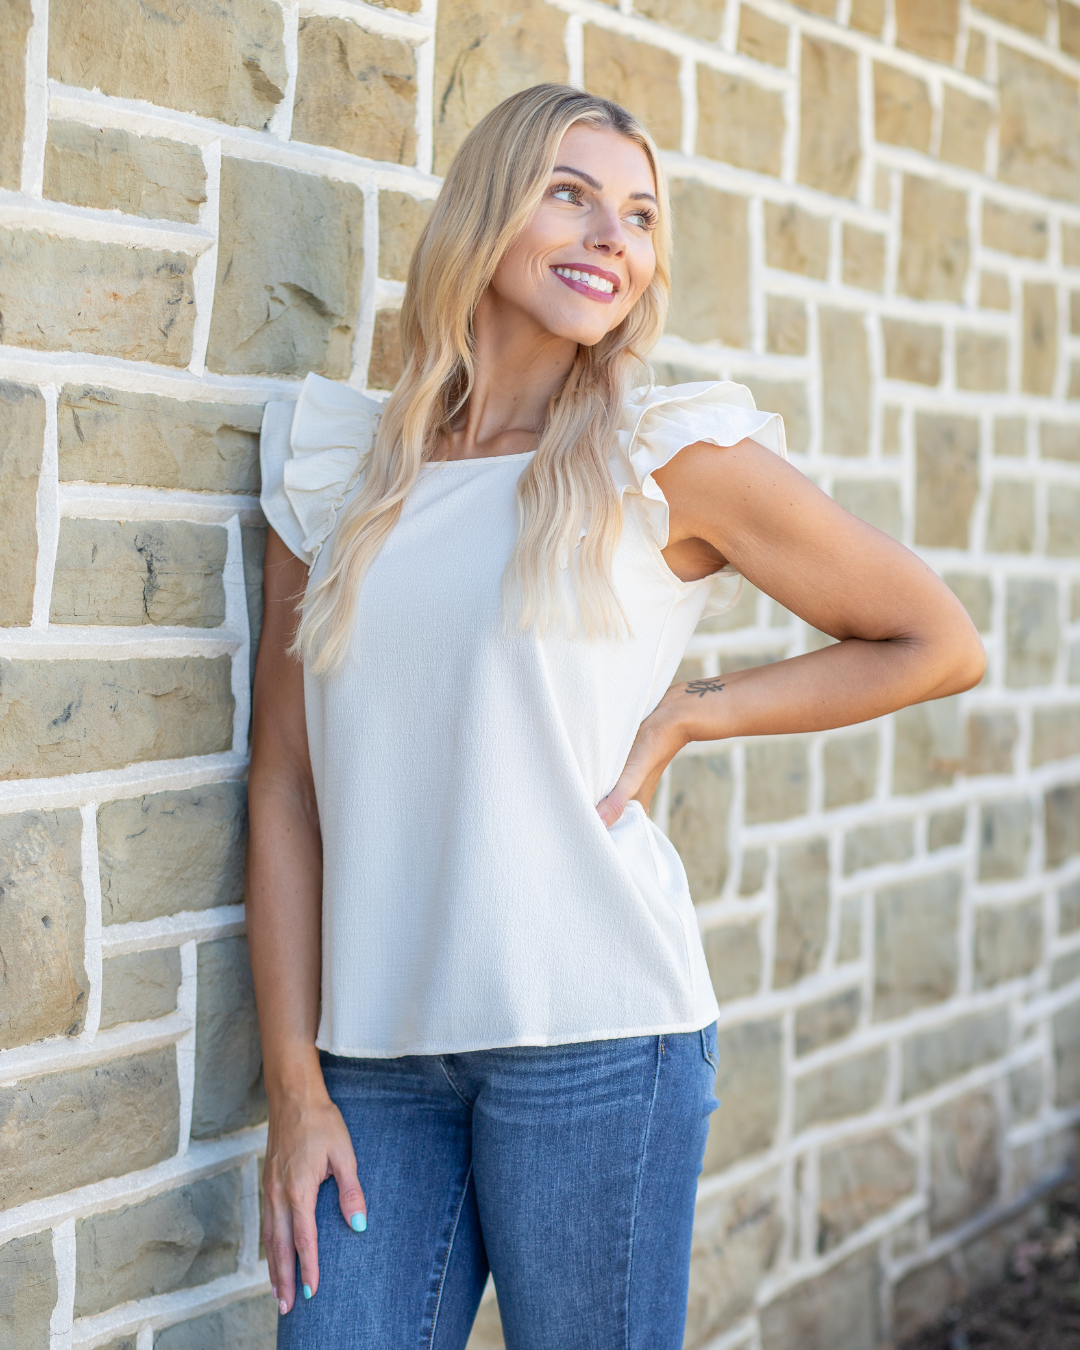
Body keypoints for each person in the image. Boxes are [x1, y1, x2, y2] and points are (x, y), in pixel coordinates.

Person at [247, 83, 985, 1349]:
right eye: (571, 195)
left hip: (600, 1043)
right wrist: (294, 1088)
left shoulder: (661, 454)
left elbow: (935, 640)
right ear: (485, 213)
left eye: (639, 216)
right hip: (373, 1065)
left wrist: (696, 711)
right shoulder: (339, 469)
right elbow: (280, 790)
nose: (611, 238)